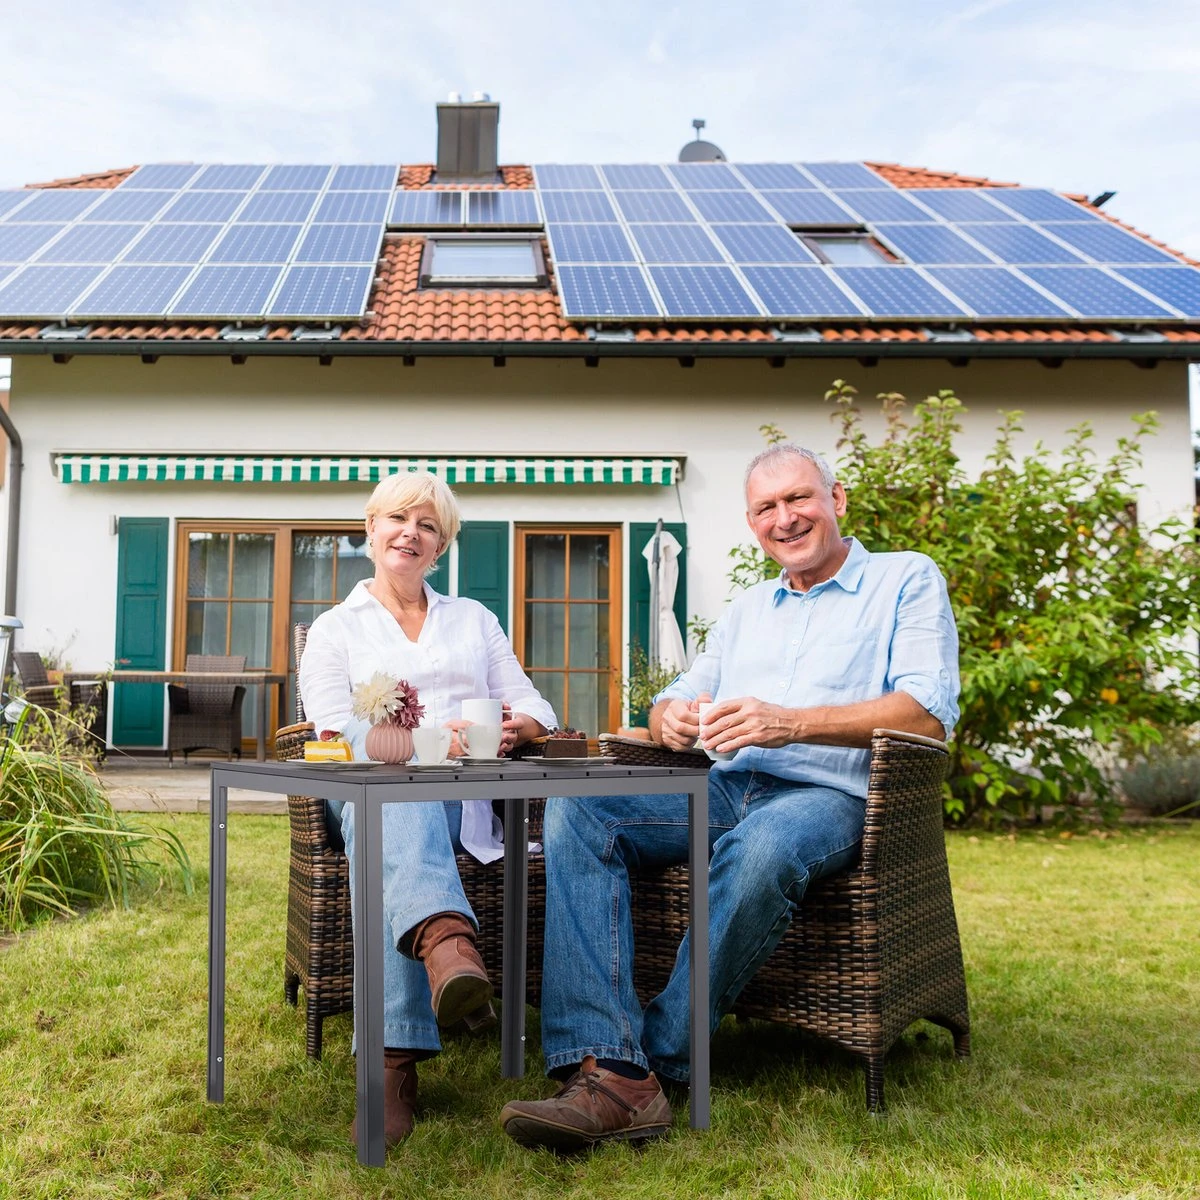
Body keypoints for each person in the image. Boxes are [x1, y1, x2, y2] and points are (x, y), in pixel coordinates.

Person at [500, 442, 960, 1150]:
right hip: (725, 784)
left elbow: (927, 713)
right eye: (766, 508)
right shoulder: (749, 609)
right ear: (753, 525)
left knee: (765, 846)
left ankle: (641, 1064)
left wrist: (792, 723)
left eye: (799, 498)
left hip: (831, 797)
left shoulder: (904, 580)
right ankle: (606, 1056)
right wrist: (669, 719)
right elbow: (674, 700)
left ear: (836, 502)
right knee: (581, 804)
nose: (786, 518)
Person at [300, 472, 555, 1149]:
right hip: (356, 796)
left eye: (428, 525)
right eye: (397, 519)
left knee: (409, 804)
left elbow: (537, 706)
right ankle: (444, 948)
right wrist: (432, 744)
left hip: (461, 800)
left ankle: (395, 1053)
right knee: (393, 792)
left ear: (440, 546)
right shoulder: (333, 629)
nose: (410, 532)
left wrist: (515, 731)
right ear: (371, 530)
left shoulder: (473, 619)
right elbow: (333, 732)